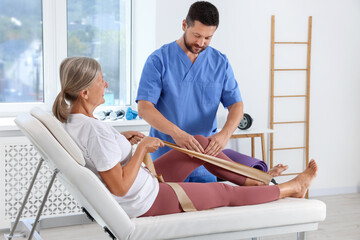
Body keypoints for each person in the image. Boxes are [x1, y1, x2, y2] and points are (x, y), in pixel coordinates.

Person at [52, 56, 318, 218]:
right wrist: (143, 147)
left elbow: (104, 153)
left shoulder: (80, 121)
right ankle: (288, 189)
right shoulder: (92, 131)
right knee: (223, 192)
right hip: (145, 198)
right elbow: (119, 187)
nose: (106, 84)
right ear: (84, 93)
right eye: (101, 81)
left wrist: (123, 138)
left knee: (200, 144)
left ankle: (258, 181)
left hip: (143, 183)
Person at [136, 1, 244, 182]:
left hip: (205, 158)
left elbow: (236, 105)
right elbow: (144, 108)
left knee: (208, 208)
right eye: (197, 35)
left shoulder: (220, 63)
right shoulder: (158, 60)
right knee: (169, 207)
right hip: (166, 155)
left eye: (208, 38)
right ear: (184, 25)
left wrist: (225, 135)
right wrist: (177, 133)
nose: (201, 43)